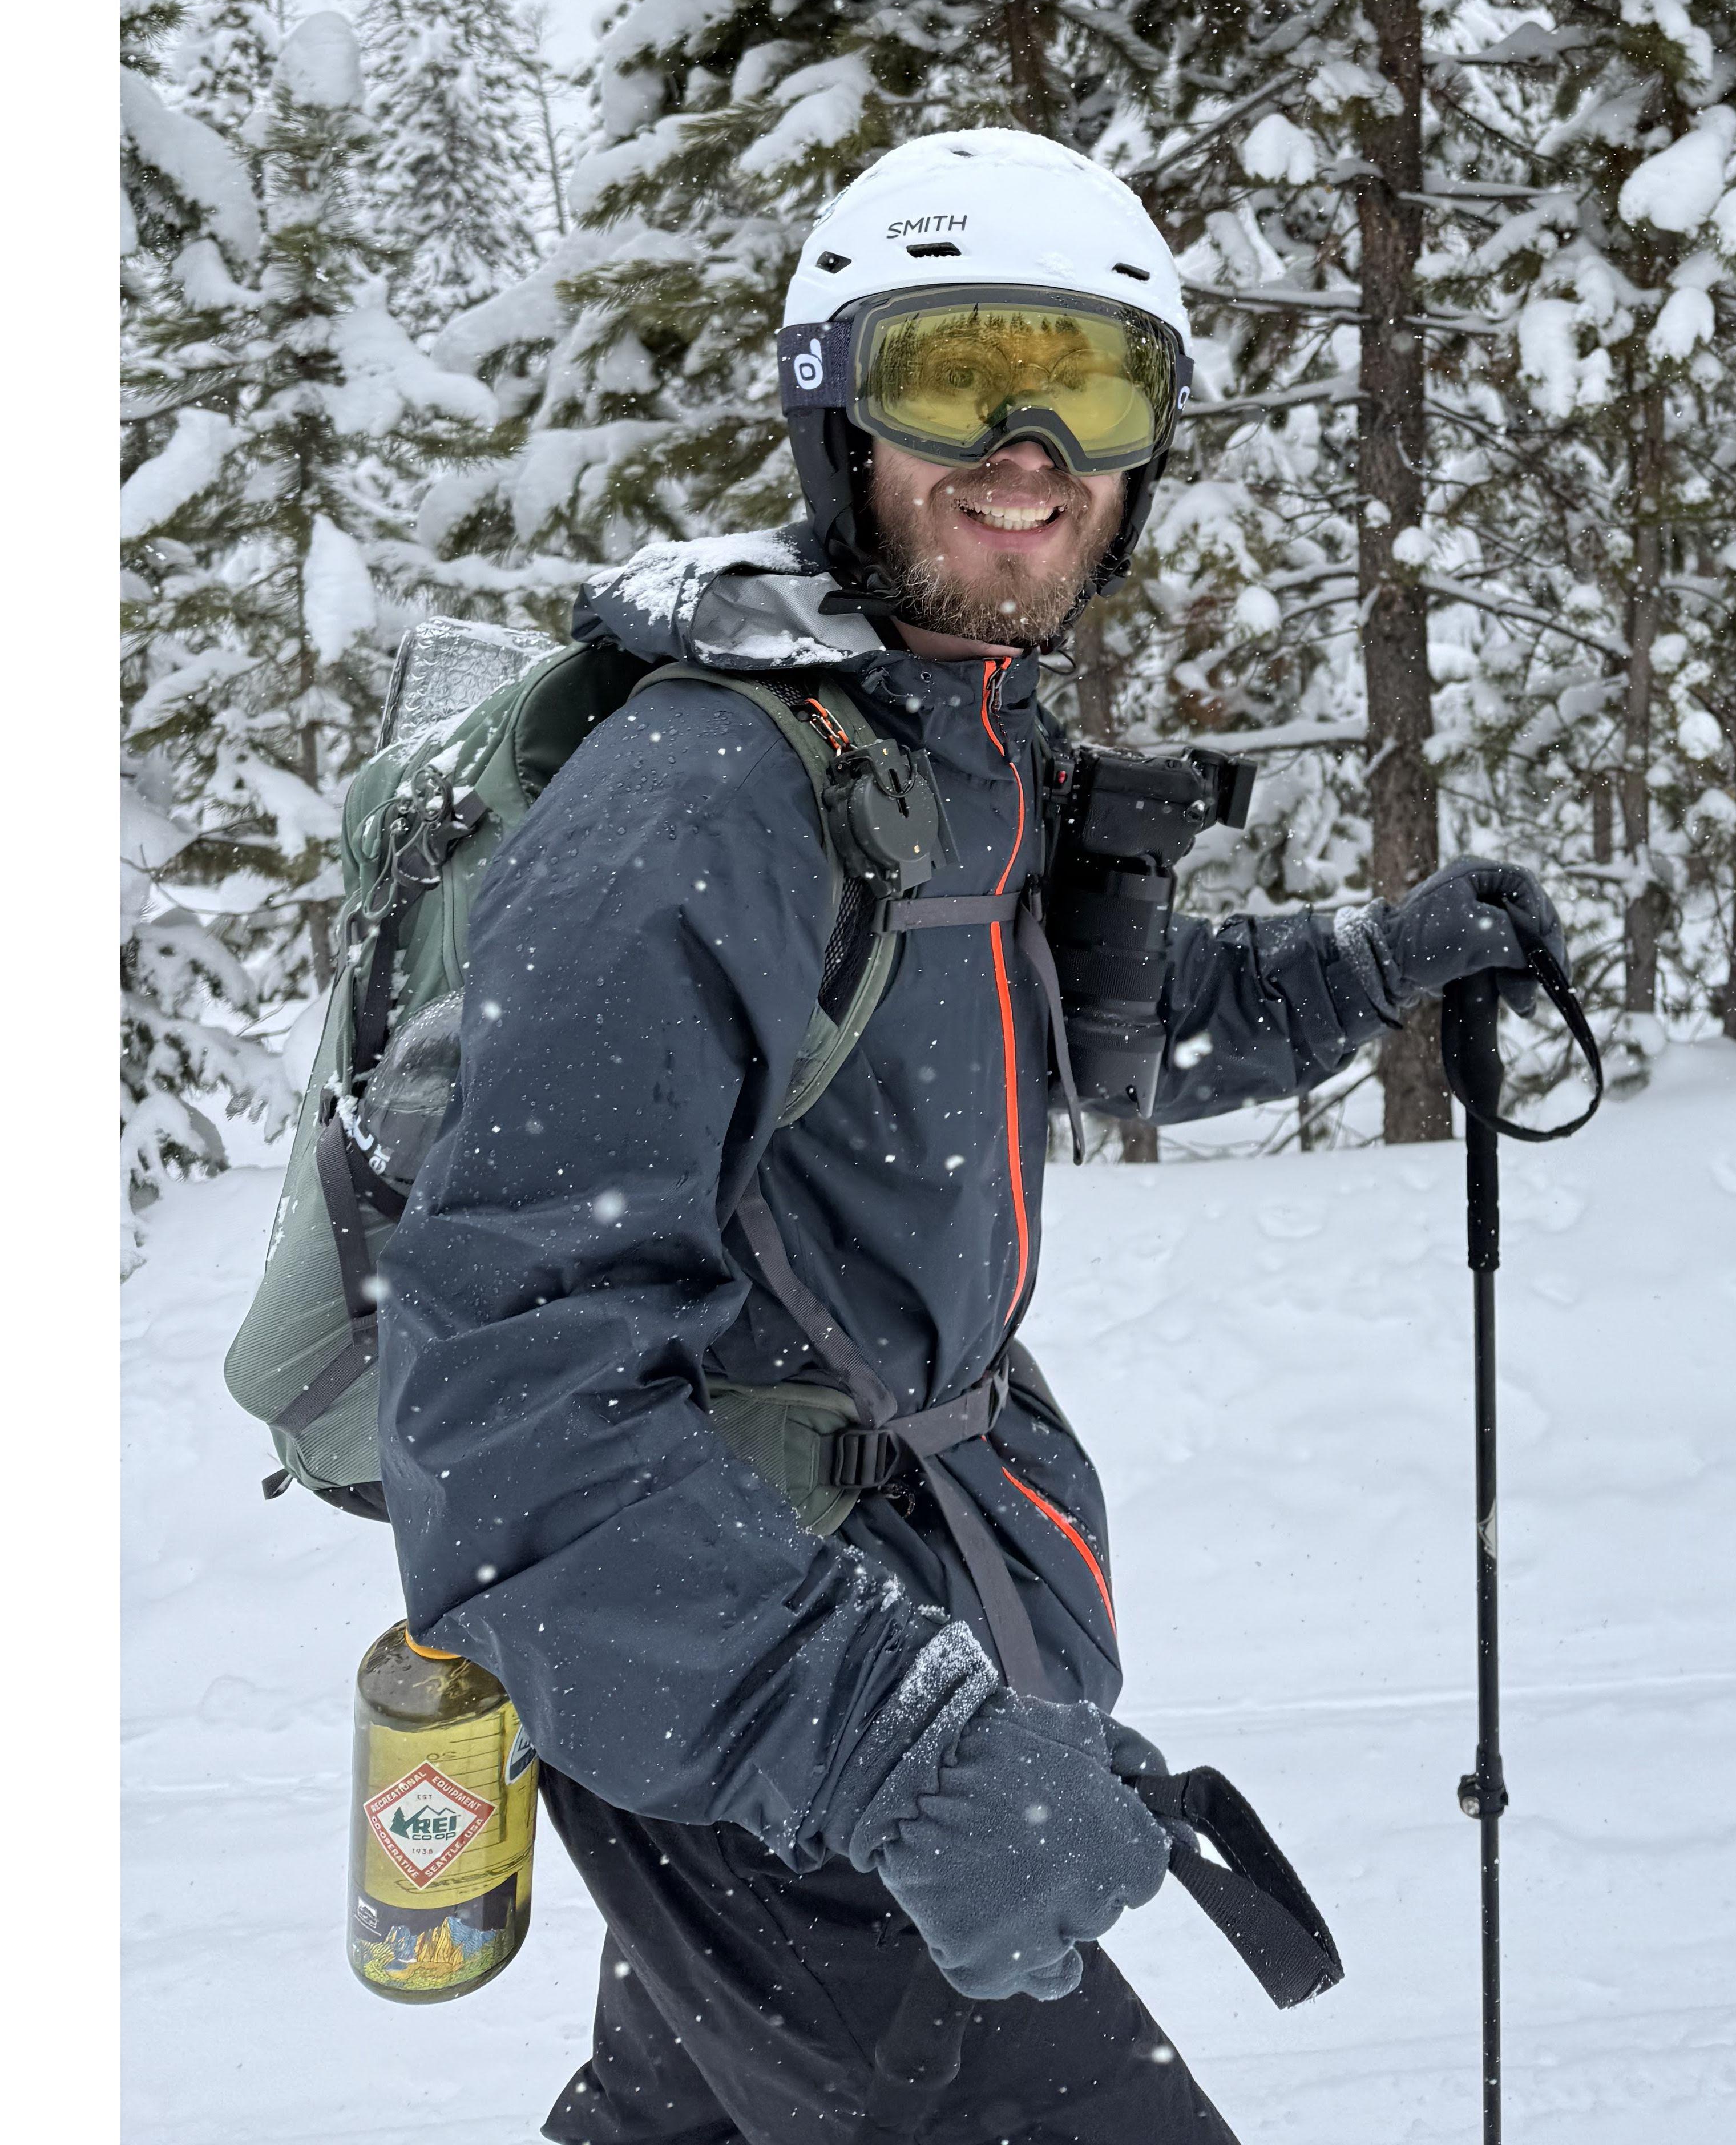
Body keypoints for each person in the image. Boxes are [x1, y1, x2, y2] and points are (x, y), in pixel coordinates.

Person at [376, 127, 1560, 2145]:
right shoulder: (702, 802)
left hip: (833, 1646)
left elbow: (1090, 1042)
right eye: (953, 379)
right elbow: (506, 1396)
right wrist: (900, 1746)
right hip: (778, 1684)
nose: (1024, 451)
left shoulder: (948, 748)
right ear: (837, 411)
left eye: (1085, 390)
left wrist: (1378, 962)